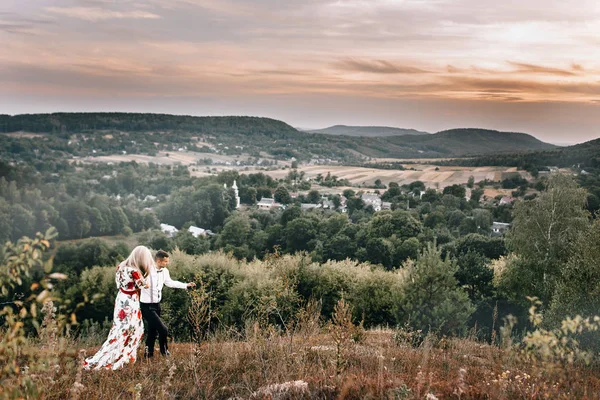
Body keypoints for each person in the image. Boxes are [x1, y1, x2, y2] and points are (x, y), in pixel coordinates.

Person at [83, 246, 152, 370]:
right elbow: (144, 285)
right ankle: (122, 357)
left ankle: (116, 355)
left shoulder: (121, 266)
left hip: (121, 298)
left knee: (120, 328)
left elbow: (119, 284)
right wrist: (147, 279)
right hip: (130, 302)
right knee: (133, 328)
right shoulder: (134, 271)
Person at [141, 250, 195, 358]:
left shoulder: (165, 271)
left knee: (153, 330)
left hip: (157, 305)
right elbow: (138, 283)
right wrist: (142, 285)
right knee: (163, 329)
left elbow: (170, 283)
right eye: (165, 261)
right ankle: (164, 352)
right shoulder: (146, 269)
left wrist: (186, 285)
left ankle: (148, 354)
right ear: (159, 261)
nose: (167, 263)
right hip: (146, 306)